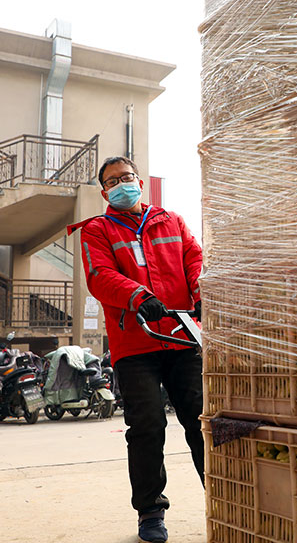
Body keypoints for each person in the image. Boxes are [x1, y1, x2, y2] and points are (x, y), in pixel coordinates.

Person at [67, 156, 203, 543]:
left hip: (181, 336)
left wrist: (200, 293)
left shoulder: (171, 221)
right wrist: (138, 296)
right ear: (104, 190)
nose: (122, 184)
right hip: (135, 343)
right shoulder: (97, 229)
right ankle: (150, 512)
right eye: (114, 181)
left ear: (140, 181)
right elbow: (99, 276)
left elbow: (195, 259)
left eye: (127, 177)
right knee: (146, 427)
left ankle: (224, 496)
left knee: (201, 421)